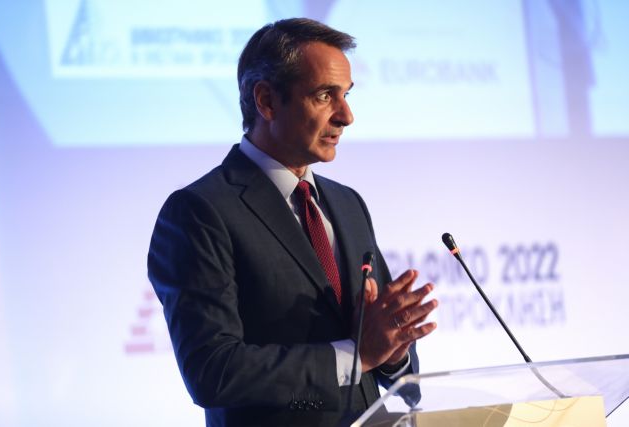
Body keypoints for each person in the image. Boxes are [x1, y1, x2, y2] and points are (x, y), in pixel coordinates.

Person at [148, 18, 437, 427]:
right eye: (325, 95)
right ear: (266, 101)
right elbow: (212, 370)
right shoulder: (200, 212)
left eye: (347, 95)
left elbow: (386, 366)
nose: (346, 116)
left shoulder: (347, 203)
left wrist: (392, 351)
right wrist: (355, 356)